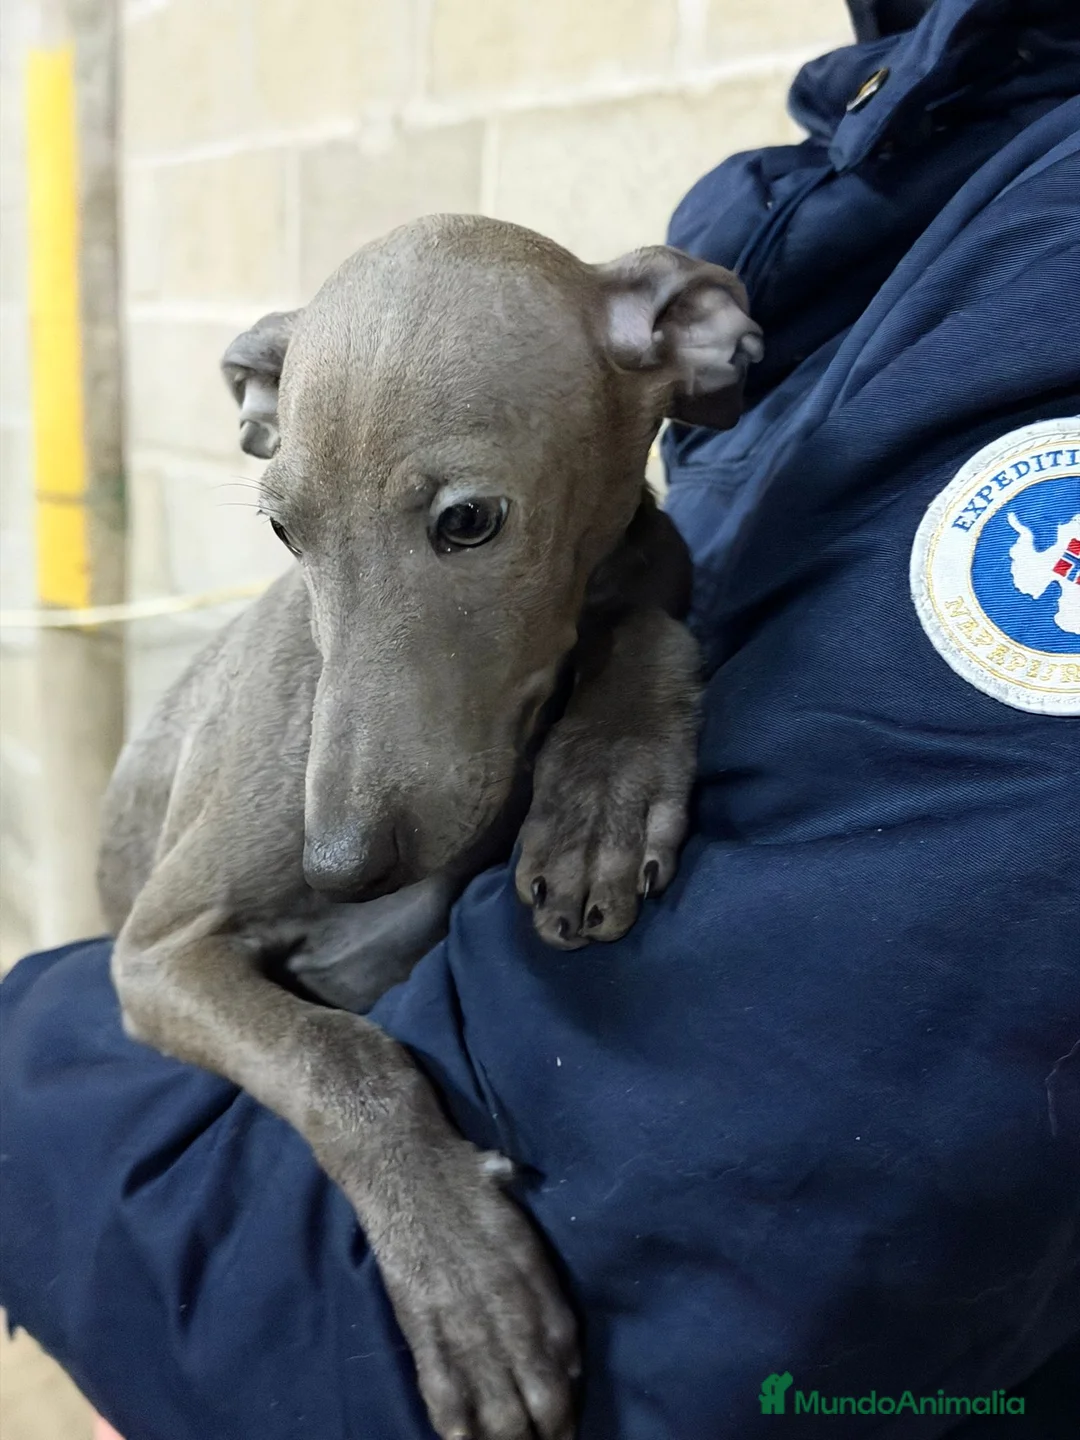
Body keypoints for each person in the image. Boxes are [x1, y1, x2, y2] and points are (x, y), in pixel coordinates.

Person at [2, 0, 1078, 1436]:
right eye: (301, 534)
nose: (346, 796)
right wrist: (376, 1128)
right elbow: (161, 966)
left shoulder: (944, 282)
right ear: (266, 401)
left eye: (467, 525)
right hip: (242, 1024)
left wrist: (641, 673)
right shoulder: (914, 166)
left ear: (679, 345)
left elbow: (641, 574)